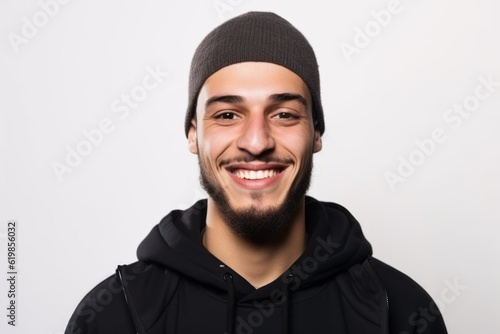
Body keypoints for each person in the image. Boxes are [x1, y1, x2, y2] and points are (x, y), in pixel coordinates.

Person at [65, 11, 448, 334]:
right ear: (193, 134)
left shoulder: (399, 310)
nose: (256, 141)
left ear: (315, 132)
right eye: (227, 115)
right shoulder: (114, 315)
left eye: (284, 114)